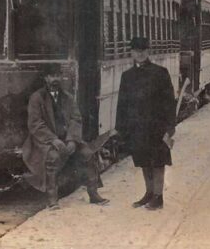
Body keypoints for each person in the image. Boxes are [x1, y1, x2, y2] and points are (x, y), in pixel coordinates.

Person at [22, 64, 109, 209]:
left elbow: (76, 119)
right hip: (44, 142)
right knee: (53, 158)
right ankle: (52, 199)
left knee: (88, 154)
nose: (55, 79)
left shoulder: (68, 97)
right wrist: (53, 140)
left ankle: (93, 194)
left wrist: (72, 140)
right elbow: (35, 124)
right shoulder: (37, 98)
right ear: (45, 78)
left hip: (68, 139)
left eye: (57, 76)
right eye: (51, 76)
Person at [116, 37, 176, 210]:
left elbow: (169, 102)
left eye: (143, 50)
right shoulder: (127, 76)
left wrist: (170, 127)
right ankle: (149, 193)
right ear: (131, 53)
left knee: (158, 162)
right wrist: (121, 128)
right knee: (143, 160)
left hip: (157, 127)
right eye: (136, 51)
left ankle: (158, 196)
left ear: (148, 52)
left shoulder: (160, 72)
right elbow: (122, 103)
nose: (140, 54)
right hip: (137, 127)